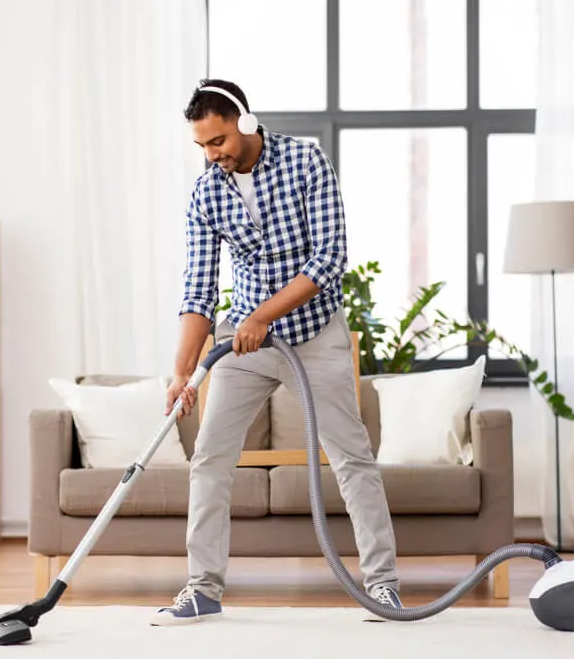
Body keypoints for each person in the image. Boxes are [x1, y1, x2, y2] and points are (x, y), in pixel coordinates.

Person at [150, 79, 401, 626]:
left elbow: (330, 256)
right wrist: (181, 373)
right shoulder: (206, 193)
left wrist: (264, 315)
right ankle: (203, 588)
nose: (212, 155)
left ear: (243, 122)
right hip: (245, 344)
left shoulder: (306, 162)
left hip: (314, 336)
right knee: (211, 458)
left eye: (217, 141)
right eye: (202, 146)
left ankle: (382, 586)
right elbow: (198, 291)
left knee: (352, 458)